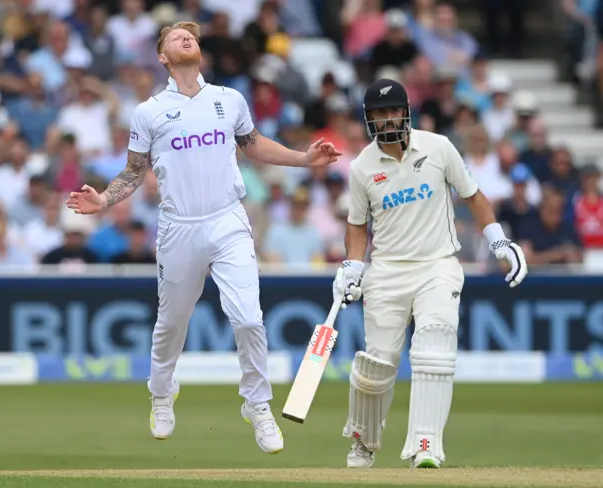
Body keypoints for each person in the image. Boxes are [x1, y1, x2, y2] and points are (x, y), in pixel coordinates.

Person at [65, 21, 341, 454]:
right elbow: (135, 171)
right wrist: (103, 201)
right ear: (163, 57)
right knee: (171, 324)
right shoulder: (149, 111)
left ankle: (257, 403)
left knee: (249, 318)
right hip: (179, 226)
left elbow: (254, 144)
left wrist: (304, 160)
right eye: (175, 36)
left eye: (190, 34)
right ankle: (161, 392)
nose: (186, 37)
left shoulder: (228, 99)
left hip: (228, 220)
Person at [332, 78, 528, 469]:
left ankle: (426, 444)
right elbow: (357, 225)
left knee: (434, 346)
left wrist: (499, 243)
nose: (388, 119)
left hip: (438, 264)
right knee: (377, 366)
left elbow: (473, 196)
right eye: (379, 113)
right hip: (386, 271)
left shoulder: (438, 147)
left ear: (406, 111)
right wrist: (353, 267)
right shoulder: (361, 168)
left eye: (393, 111)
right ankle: (363, 443)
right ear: (369, 119)